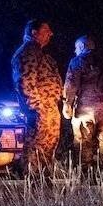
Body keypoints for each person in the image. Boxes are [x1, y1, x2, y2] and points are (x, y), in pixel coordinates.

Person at [63, 34, 103, 170]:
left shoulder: (77, 61)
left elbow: (71, 85)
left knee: (83, 139)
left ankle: (85, 173)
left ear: (82, 46)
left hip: (86, 108)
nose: (75, 51)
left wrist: (67, 105)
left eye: (76, 48)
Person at [10, 19, 63, 173]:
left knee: (47, 145)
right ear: (34, 33)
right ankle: (33, 180)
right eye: (46, 30)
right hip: (40, 109)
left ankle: (42, 179)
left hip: (47, 107)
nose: (50, 34)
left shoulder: (37, 51)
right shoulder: (28, 51)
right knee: (37, 145)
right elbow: (25, 81)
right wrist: (36, 108)